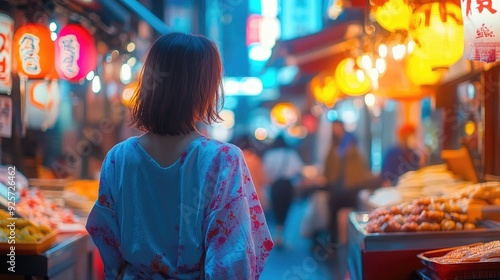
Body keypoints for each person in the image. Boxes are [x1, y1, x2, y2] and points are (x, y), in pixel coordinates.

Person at [86, 32, 273, 279]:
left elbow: (108, 245)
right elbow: (232, 260)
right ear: (205, 90)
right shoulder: (222, 160)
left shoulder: (118, 158)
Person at [324, 120, 375, 245]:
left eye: (337, 127)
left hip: (350, 186)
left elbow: (359, 167)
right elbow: (329, 166)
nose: (335, 130)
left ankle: (349, 240)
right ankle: (334, 240)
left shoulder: (351, 144)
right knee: (334, 214)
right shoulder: (334, 146)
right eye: (333, 127)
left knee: (352, 215)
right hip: (337, 187)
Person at [263, 134, 304, 247]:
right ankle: (282, 234)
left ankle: (277, 234)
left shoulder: (269, 155)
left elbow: (266, 173)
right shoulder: (291, 154)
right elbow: (299, 169)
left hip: (275, 186)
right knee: (285, 209)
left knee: (276, 209)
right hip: (287, 186)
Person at [233, 134, 269, 211]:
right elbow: (262, 179)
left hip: (239, 199)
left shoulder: (234, 159)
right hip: (255, 197)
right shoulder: (255, 159)